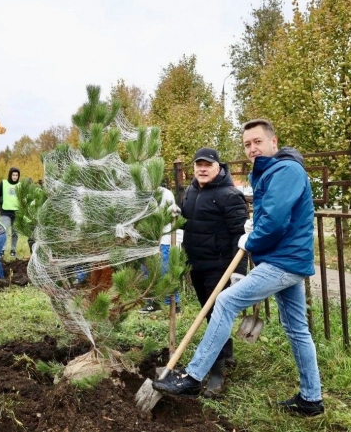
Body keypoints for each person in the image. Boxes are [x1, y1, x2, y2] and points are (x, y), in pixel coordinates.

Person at [153, 119, 324, 416]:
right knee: (297, 329)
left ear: (274, 141)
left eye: (257, 142)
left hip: (283, 261)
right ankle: (311, 399)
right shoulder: (272, 171)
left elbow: (275, 221)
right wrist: (255, 227)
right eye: (247, 144)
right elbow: (270, 216)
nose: (252, 149)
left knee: (226, 301)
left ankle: (193, 377)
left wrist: (252, 238)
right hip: (287, 259)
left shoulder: (285, 170)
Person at [176, 147, 249, 397]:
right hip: (197, 265)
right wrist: (175, 215)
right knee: (211, 316)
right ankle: (226, 354)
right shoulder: (191, 192)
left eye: (208, 164)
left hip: (219, 267)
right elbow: (188, 223)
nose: (202, 169)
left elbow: (241, 237)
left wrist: (237, 273)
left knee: (214, 320)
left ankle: (216, 372)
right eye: (198, 165)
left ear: (218, 167)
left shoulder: (230, 195)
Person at [139, 186, 182, 314]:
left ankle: (174, 305)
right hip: (146, 240)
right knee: (146, 271)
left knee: (165, 271)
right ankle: (152, 303)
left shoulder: (164, 193)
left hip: (164, 239)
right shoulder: (139, 193)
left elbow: (169, 216)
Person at [0, 166, 21, 257]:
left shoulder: (20, 185)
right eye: (13, 175)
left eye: (17, 175)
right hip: (5, 211)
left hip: (17, 212)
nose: (15, 177)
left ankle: (13, 250)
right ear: (10, 175)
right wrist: (2, 202)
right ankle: (2, 250)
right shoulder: (3, 183)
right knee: (3, 231)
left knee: (15, 233)